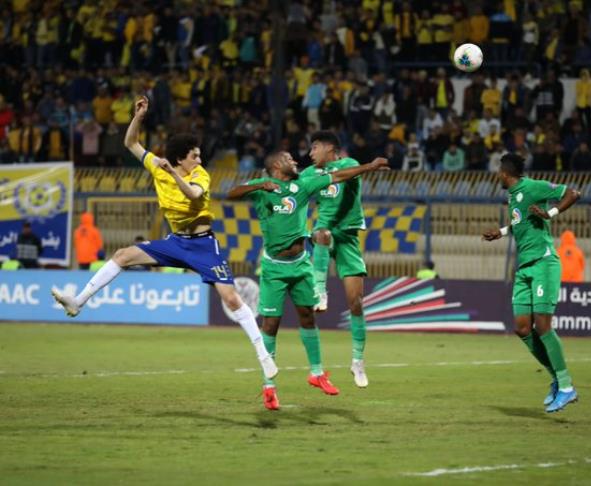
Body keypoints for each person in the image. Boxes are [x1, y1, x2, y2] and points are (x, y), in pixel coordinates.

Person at [51, 96, 278, 384]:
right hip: (176, 243)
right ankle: (77, 302)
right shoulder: (159, 166)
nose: (199, 160)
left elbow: (193, 194)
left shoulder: (200, 175)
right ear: (180, 158)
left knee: (231, 298)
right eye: (194, 155)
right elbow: (131, 143)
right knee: (122, 255)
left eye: (199, 155)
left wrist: (172, 172)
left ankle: (263, 355)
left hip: (203, 245)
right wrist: (139, 117)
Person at [227, 151, 389, 410]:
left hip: (301, 265)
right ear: (277, 165)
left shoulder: (302, 185)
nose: (295, 161)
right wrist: (259, 185)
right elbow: (231, 193)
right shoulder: (262, 188)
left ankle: (316, 373)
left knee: (307, 317)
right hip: (274, 268)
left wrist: (369, 165)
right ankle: (269, 386)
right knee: (270, 324)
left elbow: (338, 176)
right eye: (289, 159)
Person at [482, 153, 581, 413]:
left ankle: (567, 387)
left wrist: (550, 213)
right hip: (524, 266)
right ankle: (557, 378)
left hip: (543, 262)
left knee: (543, 326)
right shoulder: (513, 195)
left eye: (499, 172)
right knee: (522, 328)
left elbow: (573, 193)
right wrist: (501, 232)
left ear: (505, 173)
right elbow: (521, 221)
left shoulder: (533, 187)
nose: (497, 176)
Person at [299, 131, 372, 388]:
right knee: (321, 233)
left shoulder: (349, 164)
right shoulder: (310, 173)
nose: (310, 153)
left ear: (329, 148)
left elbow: (349, 175)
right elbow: (293, 190)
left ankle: (358, 361)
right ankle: (320, 291)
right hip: (325, 234)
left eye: (314, 148)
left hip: (348, 238)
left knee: (356, 303)